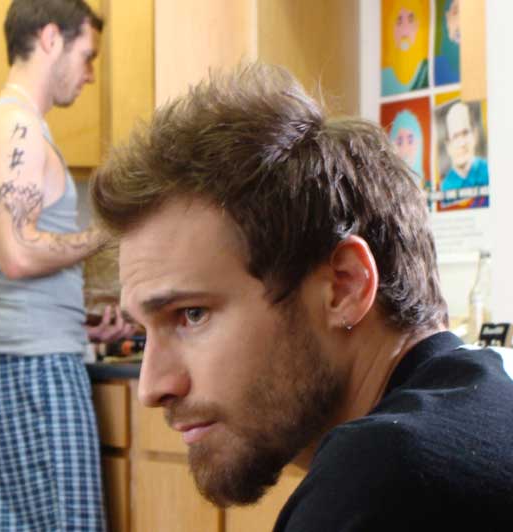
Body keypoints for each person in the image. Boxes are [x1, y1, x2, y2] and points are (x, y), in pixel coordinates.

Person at [90, 63, 513, 531]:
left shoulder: (387, 478)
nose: (152, 387)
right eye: (143, 331)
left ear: (345, 286)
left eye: (191, 315)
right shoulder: (489, 408)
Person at [0, 1, 133, 530]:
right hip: (34, 365)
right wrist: (109, 231)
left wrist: (75, 314)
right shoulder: (17, 129)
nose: (91, 74)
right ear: (52, 38)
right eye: (88, 55)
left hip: (1, 356)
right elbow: (18, 253)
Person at [439, 100, 489, 209]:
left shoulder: (489, 172)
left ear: (475, 135)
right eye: (455, 136)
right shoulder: (444, 187)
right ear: (448, 146)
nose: (462, 143)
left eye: (465, 133)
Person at [382, 0, 429, 95]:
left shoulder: (426, 69)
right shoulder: (384, 75)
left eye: (411, 20)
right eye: (398, 21)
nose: (405, 30)